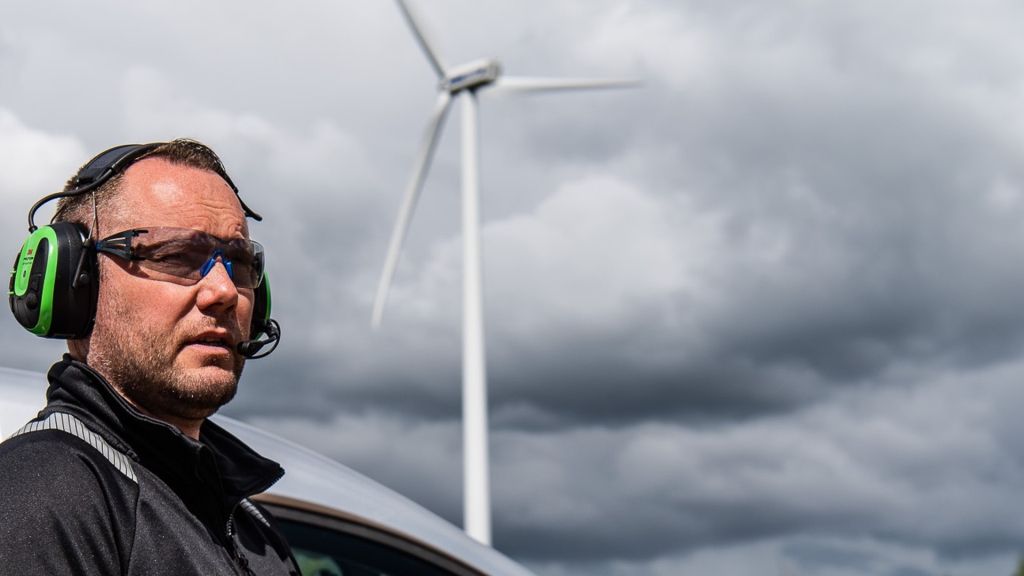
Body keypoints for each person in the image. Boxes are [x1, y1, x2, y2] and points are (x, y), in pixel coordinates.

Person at [0, 139, 297, 575]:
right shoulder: (37, 499)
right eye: (177, 255)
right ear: (75, 285)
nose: (224, 291)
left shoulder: (254, 529)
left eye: (238, 261)